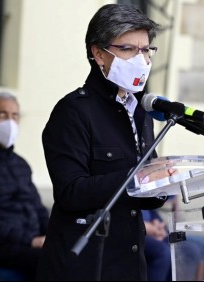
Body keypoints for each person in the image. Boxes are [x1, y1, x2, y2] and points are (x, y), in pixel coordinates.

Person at [37, 4, 170, 280]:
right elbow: (70, 192)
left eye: (146, 50)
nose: (141, 59)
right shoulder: (73, 111)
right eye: (128, 49)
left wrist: (163, 183)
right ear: (98, 53)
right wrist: (137, 177)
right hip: (85, 266)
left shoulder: (141, 111)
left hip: (130, 262)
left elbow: (143, 191)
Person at [0, 92, 49, 280]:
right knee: (50, 261)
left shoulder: (21, 164)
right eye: (2, 114)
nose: (10, 122)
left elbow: (37, 208)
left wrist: (53, 235)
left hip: (26, 244)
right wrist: (29, 240)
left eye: (15, 116)